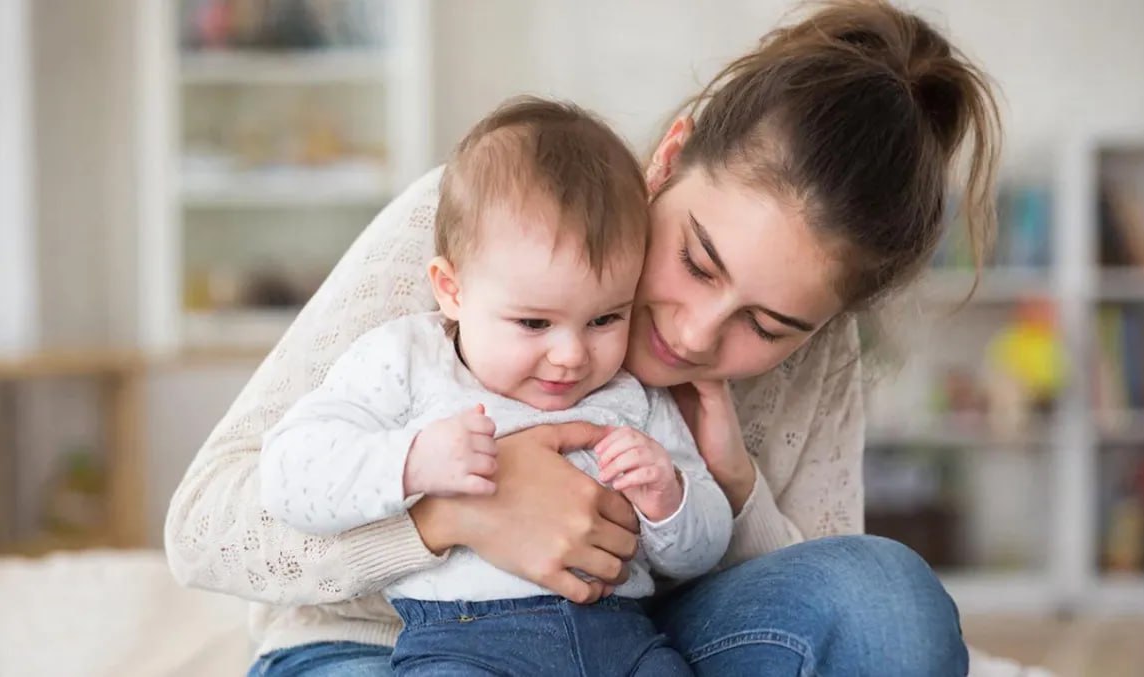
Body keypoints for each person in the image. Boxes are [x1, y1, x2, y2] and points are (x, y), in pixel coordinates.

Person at [165, 1, 1000, 675]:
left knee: (889, 600)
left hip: (630, 639)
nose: (694, 332)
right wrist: (450, 516)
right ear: (668, 159)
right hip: (381, 642)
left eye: (767, 324)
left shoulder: (820, 355)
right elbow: (204, 525)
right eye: (697, 262)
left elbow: (822, 607)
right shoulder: (483, 228)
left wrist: (731, 486)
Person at [257, 98, 731, 676]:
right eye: (534, 323)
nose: (572, 355)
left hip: (621, 642)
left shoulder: (632, 396)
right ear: (451, 290)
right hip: (465, 644)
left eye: (606, 318)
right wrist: (408, 462)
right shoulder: (408, 362)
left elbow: (707, 547)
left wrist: (670, 498)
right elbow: (287, 473)